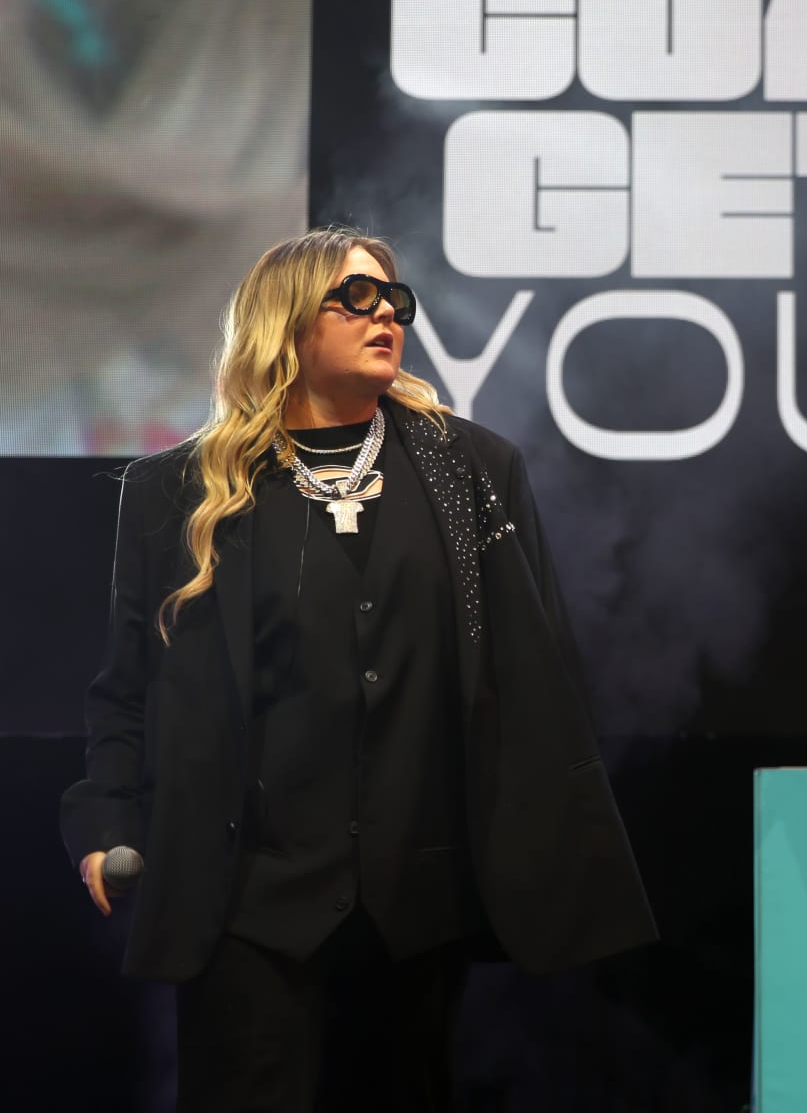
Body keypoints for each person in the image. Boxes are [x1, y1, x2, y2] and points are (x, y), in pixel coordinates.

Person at [60, 227, 655, 1111]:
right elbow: (127, 685)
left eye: (394, 300)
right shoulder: (174, 492)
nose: (386, 315)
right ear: (287, 325)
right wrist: (105, 822)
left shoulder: (473, 472)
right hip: (244, 908)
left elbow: (540, 671)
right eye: (355, 298)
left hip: (417, 910)